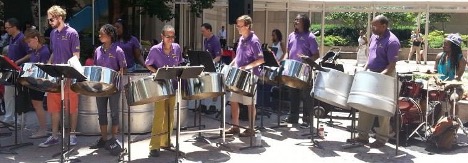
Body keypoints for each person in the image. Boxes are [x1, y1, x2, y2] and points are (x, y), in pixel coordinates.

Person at [353, 15, 400, 148]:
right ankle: (362, 136)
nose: (372, 28)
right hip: (371, 75)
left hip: (385, 76)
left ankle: (382, 139)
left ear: (384, 26)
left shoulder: (392, 41)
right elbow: (370, 56)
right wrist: (365, 68)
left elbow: (391, 65)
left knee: (382, 109)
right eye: (372, 25)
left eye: (375, 26)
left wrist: (379, 77)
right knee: (365, 105)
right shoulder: (374, 37)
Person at [39, 5, 80, 148]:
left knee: (72, 108)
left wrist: (68, 72)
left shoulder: (72, 33)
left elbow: (76, 56)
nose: (49, 21)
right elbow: (54, 52)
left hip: (69, 75)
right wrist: (48, 66)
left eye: (51, 19)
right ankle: (54, 136)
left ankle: (73, 135)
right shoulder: (52, 34)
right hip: (55, 76)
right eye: (49, 19)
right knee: (54, 107)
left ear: (59, 18)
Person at [145, 25, 182, 157]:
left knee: (170, 115)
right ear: (162, 36)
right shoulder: (155, 50)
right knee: (159, 116)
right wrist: (158, 72)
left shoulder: (177, 48)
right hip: (160, 85)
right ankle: (154, 146)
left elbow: (180, 63)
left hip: (172, 85)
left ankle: (166, 141)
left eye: (173, 37)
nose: (170, 39)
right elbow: (148, 63)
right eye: (168, 37)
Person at [89, 24, 126, 155]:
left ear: (110, 36)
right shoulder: (98, 50)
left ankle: (113, 140)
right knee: (101, 113)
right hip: (100, 87)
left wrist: (119, 74)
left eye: (102, 34)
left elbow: (122, 68)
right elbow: (95, 67)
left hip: (113, 87)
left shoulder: (118, 51)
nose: (99, 36)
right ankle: (104, 139)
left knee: (114, 113)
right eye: (99, 34)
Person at [224, 15, 264, 137]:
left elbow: (261, 60)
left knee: (249, 103)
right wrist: (230, 66)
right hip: (238, 74)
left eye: (240, 26)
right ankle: (235, 126)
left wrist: (245, 67)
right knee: (233, 100)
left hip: (250, 76)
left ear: (247, 26)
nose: (237, 28)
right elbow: (238, 56)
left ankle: (251, 128)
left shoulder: (254, 40)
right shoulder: (241, 39)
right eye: (237, 25)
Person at [279, 14, 319, 127]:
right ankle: (293, 118)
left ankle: (307, 119)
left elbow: (316, 54)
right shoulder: (291, 35)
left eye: (298, 20)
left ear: (304, 23)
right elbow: (288, 51)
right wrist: (283, 61)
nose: (295, 21)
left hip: (304, 70)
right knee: (293, 94)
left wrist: (307, 62)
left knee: (306, 96)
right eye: (295, 19)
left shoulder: (310, 37)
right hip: (292, 69)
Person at [1, 18, 30, 127]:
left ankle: (21, 121)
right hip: (11, 70)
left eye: (8, 27)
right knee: (8, 94)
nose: (6, 30)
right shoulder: (11, 38)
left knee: (20, 96)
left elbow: (29, 54)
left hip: (20, 70)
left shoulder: (22, 38)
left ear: (14, 27)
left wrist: (17, 62)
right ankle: (9, 118)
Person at [23, 29, 50, 139]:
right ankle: (42, 128)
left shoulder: (44, 51)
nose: (28, 45)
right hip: (34, 81)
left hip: (40, 82)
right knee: (36, 105)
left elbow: (43, 68)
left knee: (38, 105)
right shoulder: (35, 52)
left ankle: (43, 130)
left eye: (29, 42)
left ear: (36, 39)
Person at [433, 33, 466, 116]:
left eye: (446, 44)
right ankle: (428, 120)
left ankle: (453, 122)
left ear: (454, 47)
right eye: (444, 44)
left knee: (453, 99)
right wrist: (437, 79)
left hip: (455, 87)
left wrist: (447, 85)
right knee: (424, 96)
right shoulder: (439, 56)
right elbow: (435, 72)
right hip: (439, 85)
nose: (443, 46)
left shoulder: (461, 60)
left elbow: (458, 78)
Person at [200, 23, 223, 112]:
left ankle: (214, 106)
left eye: (204, 31)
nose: (202, 33)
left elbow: (218, 56)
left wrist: (211, 62)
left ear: (209, 30)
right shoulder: (206, 40)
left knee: (214, 87)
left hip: (214, 66)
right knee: (205, 85)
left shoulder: (215, 40)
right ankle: (204, 105)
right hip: (206, 65)